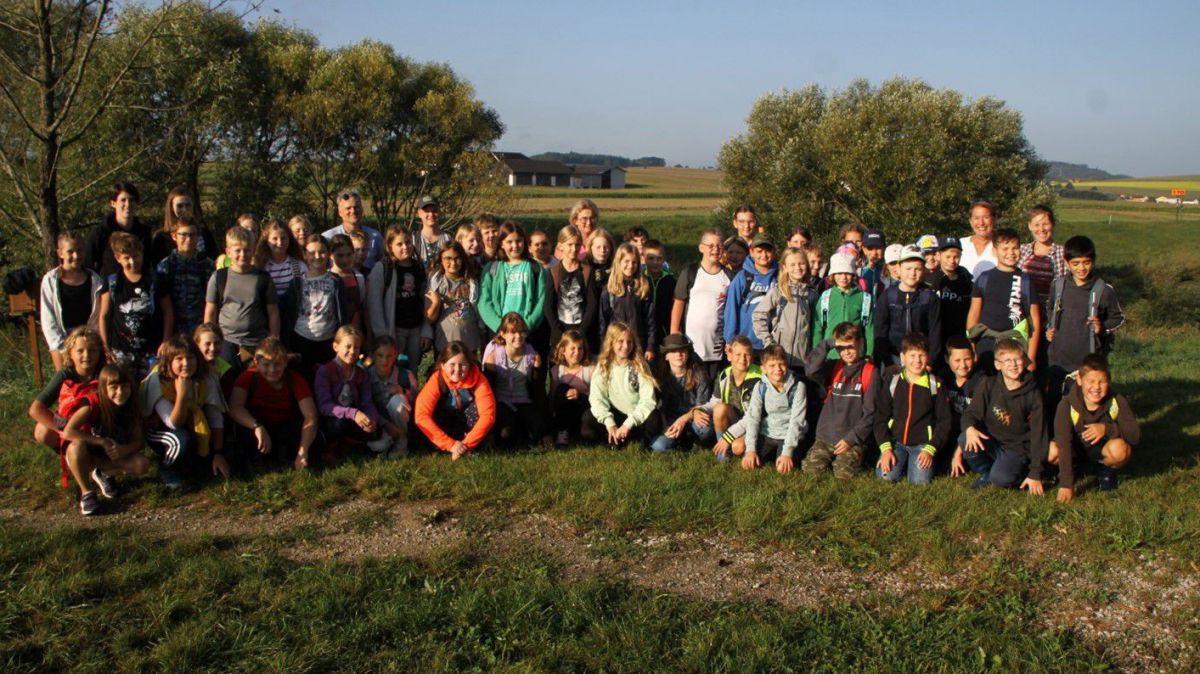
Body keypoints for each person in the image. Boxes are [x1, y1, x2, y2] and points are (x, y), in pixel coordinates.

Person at [1044, 235, 1124, 408]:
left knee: (1084, 404)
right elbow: (1049, 308)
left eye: (1086, 262)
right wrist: (1049, 327)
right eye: (1076, 263)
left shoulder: (1104, 290)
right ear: (1066, 262)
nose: (1081, 268)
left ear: (1093, 261)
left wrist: (1101, 327)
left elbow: (1118, 318)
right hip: (1057, 358)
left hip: (1088, 360)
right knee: (1054, 403)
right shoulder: (1058, 286)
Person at [958, 338, 1049, 492]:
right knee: (965, 438)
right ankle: (986, 473)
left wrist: (1036, 472)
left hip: (1017, 448)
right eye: (1007, 360)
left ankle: (1019, 473)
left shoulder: (1033, 394)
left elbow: (1039, 435)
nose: (1013, 364)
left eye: (1017, 359)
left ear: (1024, 361)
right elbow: (970, 413)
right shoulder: (988, 384)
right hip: (992, 442)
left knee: (1001, 479)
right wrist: (970, 428)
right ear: (997, 364)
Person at [60, 364, 151, 515]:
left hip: (110, 454)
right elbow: (68, 432)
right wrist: (101, 441)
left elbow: (139, 442)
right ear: (103, 388)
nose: (120, 392)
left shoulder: (131, 406)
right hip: (87, 452)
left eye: (125, 387)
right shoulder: (92, 403)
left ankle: (104, 474)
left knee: (142, 464)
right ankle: (86, 493)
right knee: (76, 447)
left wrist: (123, 450)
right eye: (114, 387)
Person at [141, 333, 228, 488]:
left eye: (190, 358)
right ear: (169, 362)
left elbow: (215, 415)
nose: (186, 363)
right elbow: (173, 423)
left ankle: (191, 464)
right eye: (179, 359)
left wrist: (218, 453)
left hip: (192, 422)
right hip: (161, 429)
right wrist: (181, 394)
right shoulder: (158, 380)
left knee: (209, 457)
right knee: (182, 441)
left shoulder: (206, 376)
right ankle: (167, 467)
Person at [1049, 354, 1138, 499]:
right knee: (1052, 451)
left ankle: (1105, 470)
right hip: (1074, 451)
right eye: (1091, 381)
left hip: (1101, 451)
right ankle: (1071, 470)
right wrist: (1066, 484)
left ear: (1108, 381)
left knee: (1121, 449)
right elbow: (1063, 443)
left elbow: (1134, 436)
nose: (1096, 387)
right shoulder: (1066, 405)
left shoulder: (1117, 400)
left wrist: (1107, 429)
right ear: (1079, 380)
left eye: (1102, 382)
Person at [228, 337, 320, 471]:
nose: (272, 370)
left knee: (311, 441)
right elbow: (235, 407)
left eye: (277, 364)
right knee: (246, 431)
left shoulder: (295, 379)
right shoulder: (247, 378)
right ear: (256, 362)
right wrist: (257, 426)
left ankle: (288, 456)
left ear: (285, 363)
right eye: (266, 365)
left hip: (285, 425)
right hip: (259, 424)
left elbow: (310, 416)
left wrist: (303, 451)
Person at [29, 328, 105, 488]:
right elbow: (36, 409)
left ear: (99, 352)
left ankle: (99, 466)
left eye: (92, 350)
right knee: (41, 430)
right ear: (70, 353)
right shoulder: (65, 374)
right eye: (80, 351)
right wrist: (62, 431)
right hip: (69, 423)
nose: (87, 355)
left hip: (97, 424)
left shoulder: (104, 372)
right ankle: (77, 459)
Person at [801, 323, 876, 479]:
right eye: (841, 348)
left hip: (851, 439)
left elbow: (871, 413)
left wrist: (851, 439)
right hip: (826, 436)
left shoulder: (870, 372)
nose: (846, 352)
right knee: (811, 472)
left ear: (860, 343)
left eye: (850, 346)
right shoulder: (833, 367)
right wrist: (828, 344)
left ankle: (863, 458)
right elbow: (810, 369)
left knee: (843, 474)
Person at [874, 334, 951, 485]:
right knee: (885, 477)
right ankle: (900, 462)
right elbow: (880, 418)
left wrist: (930, 449)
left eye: (921, 355)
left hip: (923, 445)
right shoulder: (893, 382)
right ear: (902, 357)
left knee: (920, 482)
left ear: (928, 357)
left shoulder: (936, 385)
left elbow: (944, 422)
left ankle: (918, 463)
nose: (917, 360)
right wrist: (886, 449)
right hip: (896, 443)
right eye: (912, 355)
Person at [965, 227, 1041, 371]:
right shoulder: (984, 279)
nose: (1010, 253)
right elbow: (973, 314)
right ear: (995, 251)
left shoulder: (1025, 281)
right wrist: (972, 346)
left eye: (1015, 248)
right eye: (1005, 249)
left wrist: (1031, 357)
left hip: (1015, 345)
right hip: (986, 344)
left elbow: (1035, 320)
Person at [204, 226, 280, 368]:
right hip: (226, 342)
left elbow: (273, 312)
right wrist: (209, 340)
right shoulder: (219, 277)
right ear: (228, 252)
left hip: (257, 343)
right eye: (237, 250)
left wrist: (274, 341)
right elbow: (210, 312)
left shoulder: (263, 278)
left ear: (253, 250)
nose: (242, 254)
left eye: (247, 250)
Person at [98, 232, 170, 381]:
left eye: (136, 256)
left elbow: (168, 311)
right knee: (124, 387)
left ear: (142, 254)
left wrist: (166, 340)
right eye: (126, 258)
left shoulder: (154, 280)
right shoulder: (113, 282)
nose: (132, 261)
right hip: (121, 350)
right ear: (118, 259)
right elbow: (104, 315)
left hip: (152, 349)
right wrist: (105, 345)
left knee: (151, 388)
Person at [414, 341, 497, 460]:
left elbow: (488, 415)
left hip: (468, 425)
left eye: (462, 364)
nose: (457, 370)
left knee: (478, 412)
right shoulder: (437, 379)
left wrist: (465, 445)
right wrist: (451, 445)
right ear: (443, 365)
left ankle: (470, 446)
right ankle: (449, 447)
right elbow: (421, 415)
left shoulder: (479, 379)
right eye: (452, 364)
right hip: (446, 422)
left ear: (469, 364)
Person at [671, 229, 733, 380]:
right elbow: (679, 302)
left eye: (719, 246)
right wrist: (674, 331)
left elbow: (732, 309)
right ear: (701, 248)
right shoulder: (690, 272)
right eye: (711, 245)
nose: (715, 250)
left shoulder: (729, 276)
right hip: (692, 345)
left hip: (717, 346)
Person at [314, 326, 381, 465]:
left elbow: (367, 401)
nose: (352, 351)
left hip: (353, 415)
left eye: (356, 348)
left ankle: (347, 443)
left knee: (375, 430)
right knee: (339, 424)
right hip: (331, 418)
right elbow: (325, 406)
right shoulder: (325, 371)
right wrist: (353, 413)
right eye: (348, 347)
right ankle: (330, 448)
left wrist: (372, 419)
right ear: (335, 346)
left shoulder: (361, 373)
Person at [478, 222, 547, 352]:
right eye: (509, 242)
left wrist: (526, 326)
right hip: (499, 332)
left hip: (527, 332)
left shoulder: (535, 268)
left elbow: (541, 299)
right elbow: (484, 301)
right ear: (501, 244)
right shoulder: (492, 269)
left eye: (519, 241)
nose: (515, 246)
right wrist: (500, 328)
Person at [367, 226, 428, 373]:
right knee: (393, 369)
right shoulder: (383, 268)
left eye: (408, 242)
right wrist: (382, 334)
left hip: (415, 328)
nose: (405, 247)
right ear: (389, 246)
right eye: (399, 244)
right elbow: (374, 304)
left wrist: (426, 329)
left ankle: (410, 395)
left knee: (412, 370)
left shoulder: (418, 267)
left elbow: (425, 299)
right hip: (394, 330)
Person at [284, 235, 346, 377]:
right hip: (301, 339)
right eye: (312, 253)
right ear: (305, 254)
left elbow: (343, 314)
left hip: (328, 340)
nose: (317, 256)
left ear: (329, 254)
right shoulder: (296, 283)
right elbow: (288, 315)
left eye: (322, 252)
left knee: (326, 381)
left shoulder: (336, 282)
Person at [739, 344, 807, 473]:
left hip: (789, 435)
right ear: (763, 369)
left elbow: (797, 421)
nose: (778, 369)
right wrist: (750, 450)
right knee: (750, 465)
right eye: (772, 366)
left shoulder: (798, 387)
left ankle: (785, 453)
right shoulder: (760, 387)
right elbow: (753, 418)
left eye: (781, 364)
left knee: (783, 470)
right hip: (767, 433)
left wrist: (787, 453)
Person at [40, 232, 103, 371]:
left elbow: (98, 316)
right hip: (61, 343)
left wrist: (90, 342)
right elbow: (48, 319)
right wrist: (60, 347)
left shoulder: (95, 280)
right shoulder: (50, 280)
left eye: (79, 250)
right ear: (60, 253)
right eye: (70, 251)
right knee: (68, 386)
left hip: (89, 343)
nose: (76, 255)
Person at [589, 322, 657, 449]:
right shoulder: (604, 366)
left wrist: (629, 424)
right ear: (611, 342)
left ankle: (638, 440)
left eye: (629, 342)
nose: (625, 346)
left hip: (635, 418)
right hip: (615, 415)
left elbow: (648, 400)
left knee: (654, 419)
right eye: (620, 341)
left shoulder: (640, 365)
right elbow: (597, 397)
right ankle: (613, 436)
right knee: (587, 421)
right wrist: (610, 423)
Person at [482, 313, 546, 447]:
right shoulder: (493, 357)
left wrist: (537, 371)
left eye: (522, 332)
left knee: (539, 430)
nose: (518, 337)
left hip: (524, 400)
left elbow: (539, 390)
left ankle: (524, 430)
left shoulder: (532, 355)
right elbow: (487, 392)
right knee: (506, 435)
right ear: (502, 334)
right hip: (501, 401)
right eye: (513, 333)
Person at [874, 245, 943, 366]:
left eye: (918, 269)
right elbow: (880, 331)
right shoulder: (887, 296)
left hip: (920, 360)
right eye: (908, 268)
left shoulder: (930, 298)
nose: (912, 273)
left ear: (924, 270)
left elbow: (935, 332)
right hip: (893, 358)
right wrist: (887, 361)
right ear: (899, 268)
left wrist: (930, 362)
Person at [695, 335, 761, 460]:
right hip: (736, 419)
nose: (742, 359)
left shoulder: (758, 379)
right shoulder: (724, 374)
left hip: (754, 423)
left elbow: (753, 416)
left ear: (751, 357)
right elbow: (714, 402)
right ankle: (723, 453)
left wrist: (729, 436)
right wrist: (698, 410)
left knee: (738, 447)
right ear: (730, 355)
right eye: (738, 354)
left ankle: (729, 444)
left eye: (746, 355)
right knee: (720, 408)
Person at [752, 246, 815, 371]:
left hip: (802, 360)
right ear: (785, 268)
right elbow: (758, 315)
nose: (797, 268)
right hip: (779, 360)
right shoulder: (778, 292)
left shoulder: (812, 295)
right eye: (792, 265)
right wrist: (769, 342)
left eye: (801, 263)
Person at [648, 334, 714, 452]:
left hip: (694, 415)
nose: (678, 354)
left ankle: (695, 441)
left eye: (682, 350)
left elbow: (702, 404)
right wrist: (664, 426)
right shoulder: (661, 377)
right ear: (666, 356)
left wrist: (683, 419)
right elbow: (660, 407)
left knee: (706, 430)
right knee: (658, 446)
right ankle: (680, 444)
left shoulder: (698, 372)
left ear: (688, 354)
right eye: (673, 351)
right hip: (671, 419)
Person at [155, 214, 214, 338]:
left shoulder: (207, 265)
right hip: (173, 330)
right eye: (183, 235)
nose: (188, 239)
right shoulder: (165, 266)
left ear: (198, 237)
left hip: (200, 329)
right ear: (174, 236)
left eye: (192, 235)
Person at [599, 243, 657, 360]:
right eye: (626, 261)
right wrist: (604, 346)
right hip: (616, 346)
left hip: (639, 345)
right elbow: (603, 321)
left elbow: (650, 319)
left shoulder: (642, 287)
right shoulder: (610, 290)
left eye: (634, 262)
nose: (630, 266)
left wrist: (650, 346)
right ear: (619, 262)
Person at [544, 225, 597, 353]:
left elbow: (592, 304)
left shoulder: (586, 271)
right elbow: (548, 306)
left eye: (577, 245)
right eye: (570, 245)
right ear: (560, 246)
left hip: (582, 333)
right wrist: (558, 332)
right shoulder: (554, 272)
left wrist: (582, 331)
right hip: (560, 334)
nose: (574, 249)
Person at [365, 335, 419, 458]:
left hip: (401, 420)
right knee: (377, 447)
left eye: (389, 356)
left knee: (398, 400)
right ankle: (388, 442)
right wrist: (384, 424)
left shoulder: (405, 374)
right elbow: (365, 404)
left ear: (395, 356)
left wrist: (403, 392)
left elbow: (419, 398)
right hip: (379, 421)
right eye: (380, 356)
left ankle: (401, 443)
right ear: (373, 355)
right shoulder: (365, 376)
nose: (385, 361)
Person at [812, 252, 874, 359]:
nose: (843, 277)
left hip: (856, 355)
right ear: (833, 275)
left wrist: (869, 354)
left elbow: (869, 329)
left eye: (847, 273)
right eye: (839, 273)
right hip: (831, 355)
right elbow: (818, 328)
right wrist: (817, 354)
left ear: (853, 274)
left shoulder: (864, 298)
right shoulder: (825, 297)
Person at [723, 233, 778, 352]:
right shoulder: (742, 277)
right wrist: (729, 340)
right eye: (759, 251)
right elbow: (731, 309)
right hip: (746, 344)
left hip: (773, 343)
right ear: (751, 252)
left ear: (774, 252)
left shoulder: (780, 276)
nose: (763, 255)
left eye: (768, 251)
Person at [426, 242, 483, 355]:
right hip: (444, 343)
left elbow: (477, 310)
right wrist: (436, 303)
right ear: (441, 260)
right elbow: (429, 319)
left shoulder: (471, 282)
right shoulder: (436, 283)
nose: (453, 263)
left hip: (469, 342)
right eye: (448, 258)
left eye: (457, 258)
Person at [86, 181, 151, 277]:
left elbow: (148, 263)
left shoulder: (144, 232)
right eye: (123, 200)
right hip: (108, 286)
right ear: (113, 203)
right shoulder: (101, 232)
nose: (128, 204)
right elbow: (88, 263)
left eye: (132, 200)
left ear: (137, 203)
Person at [943, 335, 986, 477]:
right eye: (957, 360)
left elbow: (979, 421)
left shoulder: (982, 381)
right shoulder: (943, 377)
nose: (963, 365)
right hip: (949, 430)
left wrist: (958, 454)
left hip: (971, 431)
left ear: (974, 357)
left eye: (967, 359)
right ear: (947, 359)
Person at [549, 330, 601, 446]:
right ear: (563, 350)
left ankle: (582, 431)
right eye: (572, 348)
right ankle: (562, 431)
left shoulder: (590, 369)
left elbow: (596, 397)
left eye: (580, 348)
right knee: (562, 388)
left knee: (587, 433)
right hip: (565, 412)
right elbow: (553, 397)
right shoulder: (557, 371)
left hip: (585, 407)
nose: (577, 352)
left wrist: (580, 396)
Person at [1019, 205, 1067, 317]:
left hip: (1053, 315)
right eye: (1036, 225)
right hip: (1024, 314)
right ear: (1030, 226)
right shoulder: (1021, 250)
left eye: (1045, 224)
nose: (1041, 229)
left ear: (1052, 225)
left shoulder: (1063, 253)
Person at [149, 185, 216, 264]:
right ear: (172, 208)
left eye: (188, 205)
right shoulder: (161, 238)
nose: (184, 210)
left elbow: (214, 260)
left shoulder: (204, 234)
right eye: (179, 206)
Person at [928, 236, 973, 354]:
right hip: (937, 335)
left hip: (959, 334)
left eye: (956, 257)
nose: (952, 261)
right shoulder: (929, 279)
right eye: (947, 256)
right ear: (938, 255)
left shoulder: (966, 280)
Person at [322, 189, 383, 270]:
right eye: (348, 208)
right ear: (340, 212)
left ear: (361, 209)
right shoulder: (328, 237)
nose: (353, 211)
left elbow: (382, 263)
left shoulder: (375, 236)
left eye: (356, 207)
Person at [255, 219, 306, 299]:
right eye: (275, 239)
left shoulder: (299, 266)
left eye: (283, 238)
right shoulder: (261, 265)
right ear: (267, 241)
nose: (280, 243)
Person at [329, 234, 367, 333]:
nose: (345, 260)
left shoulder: (359, 278)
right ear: (331, 255)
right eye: (340, 256)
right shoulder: (327, 278)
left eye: (349, 254)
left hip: (355, 332)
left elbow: (363, 307)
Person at [643, 239, 675, 349]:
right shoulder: (639, 280)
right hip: (644, 333)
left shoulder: (671, 281)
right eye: (651, 258)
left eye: (659, 258)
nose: (655, 262)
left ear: (664, 260)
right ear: (643, 259)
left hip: (664, 332)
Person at [193, 322, 237, 396]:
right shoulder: (191, 368)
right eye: (207, 344)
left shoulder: (226, 371)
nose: (213, 348)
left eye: (217, 343)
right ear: (197, 344)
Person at [412, 195, 452, 269]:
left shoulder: (448, 239)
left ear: (439, 212)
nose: (431, 214)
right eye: (427, 211)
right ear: (419, 213)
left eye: (434, 211)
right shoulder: (413, 240)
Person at [960, 200, 998, 277]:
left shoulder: (1003, 247)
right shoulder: (960, 245)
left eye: (986, 217)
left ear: (994, 219)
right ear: (970, 221)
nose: (981, 223)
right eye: (976, 218)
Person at [860, 228, 887, 294]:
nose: (874, 252)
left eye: (878, 248)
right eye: (870, 248)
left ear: (884, 248)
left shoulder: (889, 268)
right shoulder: (858, 270)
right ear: (864, 250)